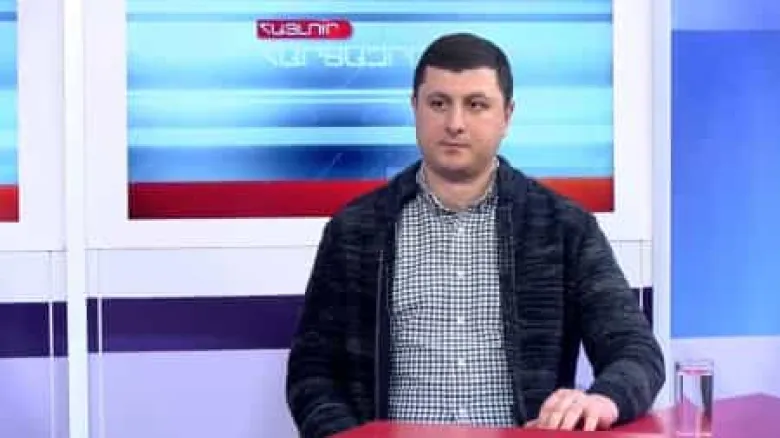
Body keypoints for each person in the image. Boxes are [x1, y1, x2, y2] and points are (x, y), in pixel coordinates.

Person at [285, 32, 665, 438]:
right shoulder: (356, 230)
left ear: (507, 115)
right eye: (438, 103)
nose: (455, 123)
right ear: (415, 108)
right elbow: (312, 374)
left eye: (476, 105)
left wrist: (602, 399)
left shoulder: (564, 226)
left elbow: (636, 352)